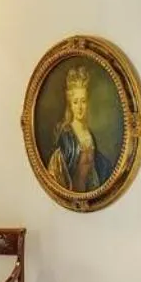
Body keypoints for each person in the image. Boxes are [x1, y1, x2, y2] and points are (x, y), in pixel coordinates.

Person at [46, 62, 104, 191]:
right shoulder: (65, 135)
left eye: (83, 101)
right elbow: (56, 174)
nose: (79, 107)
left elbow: (92, 174)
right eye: (75, 102)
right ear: (70, 105)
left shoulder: (89, 135)